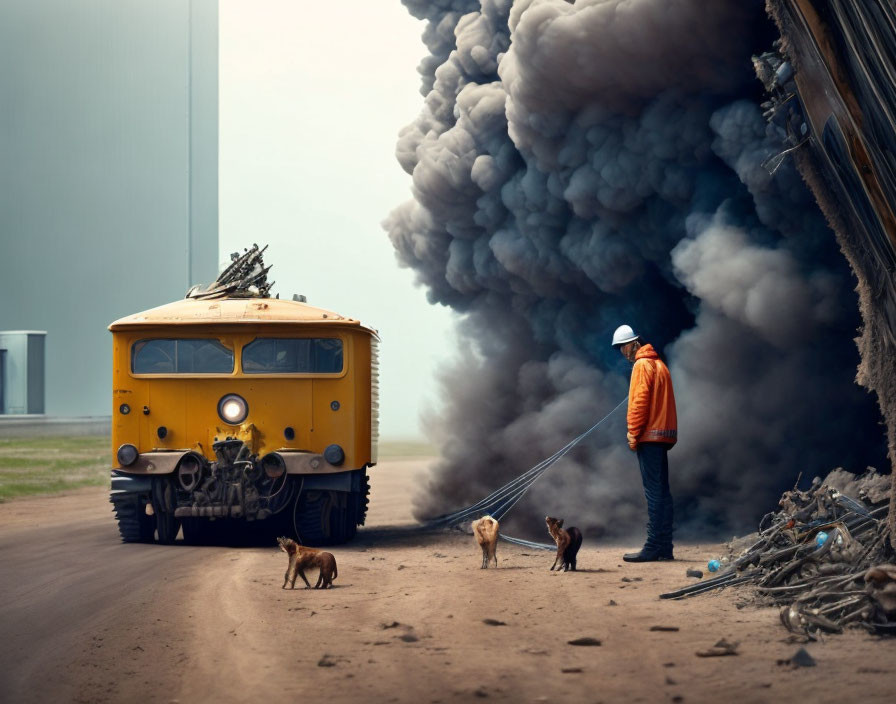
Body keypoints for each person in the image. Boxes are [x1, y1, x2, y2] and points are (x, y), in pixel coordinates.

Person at [612, 324, 677, 562]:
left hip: (649, 436)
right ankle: (665, 547)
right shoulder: (659, 365)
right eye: (619, 348)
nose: (622, 352)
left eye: (623, 347)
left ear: (634, 343)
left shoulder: (642, 365)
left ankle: (653, 547)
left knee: (654, 494)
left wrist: (633, 434)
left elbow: (639, 404)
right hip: (662, 436)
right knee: (662, 493)